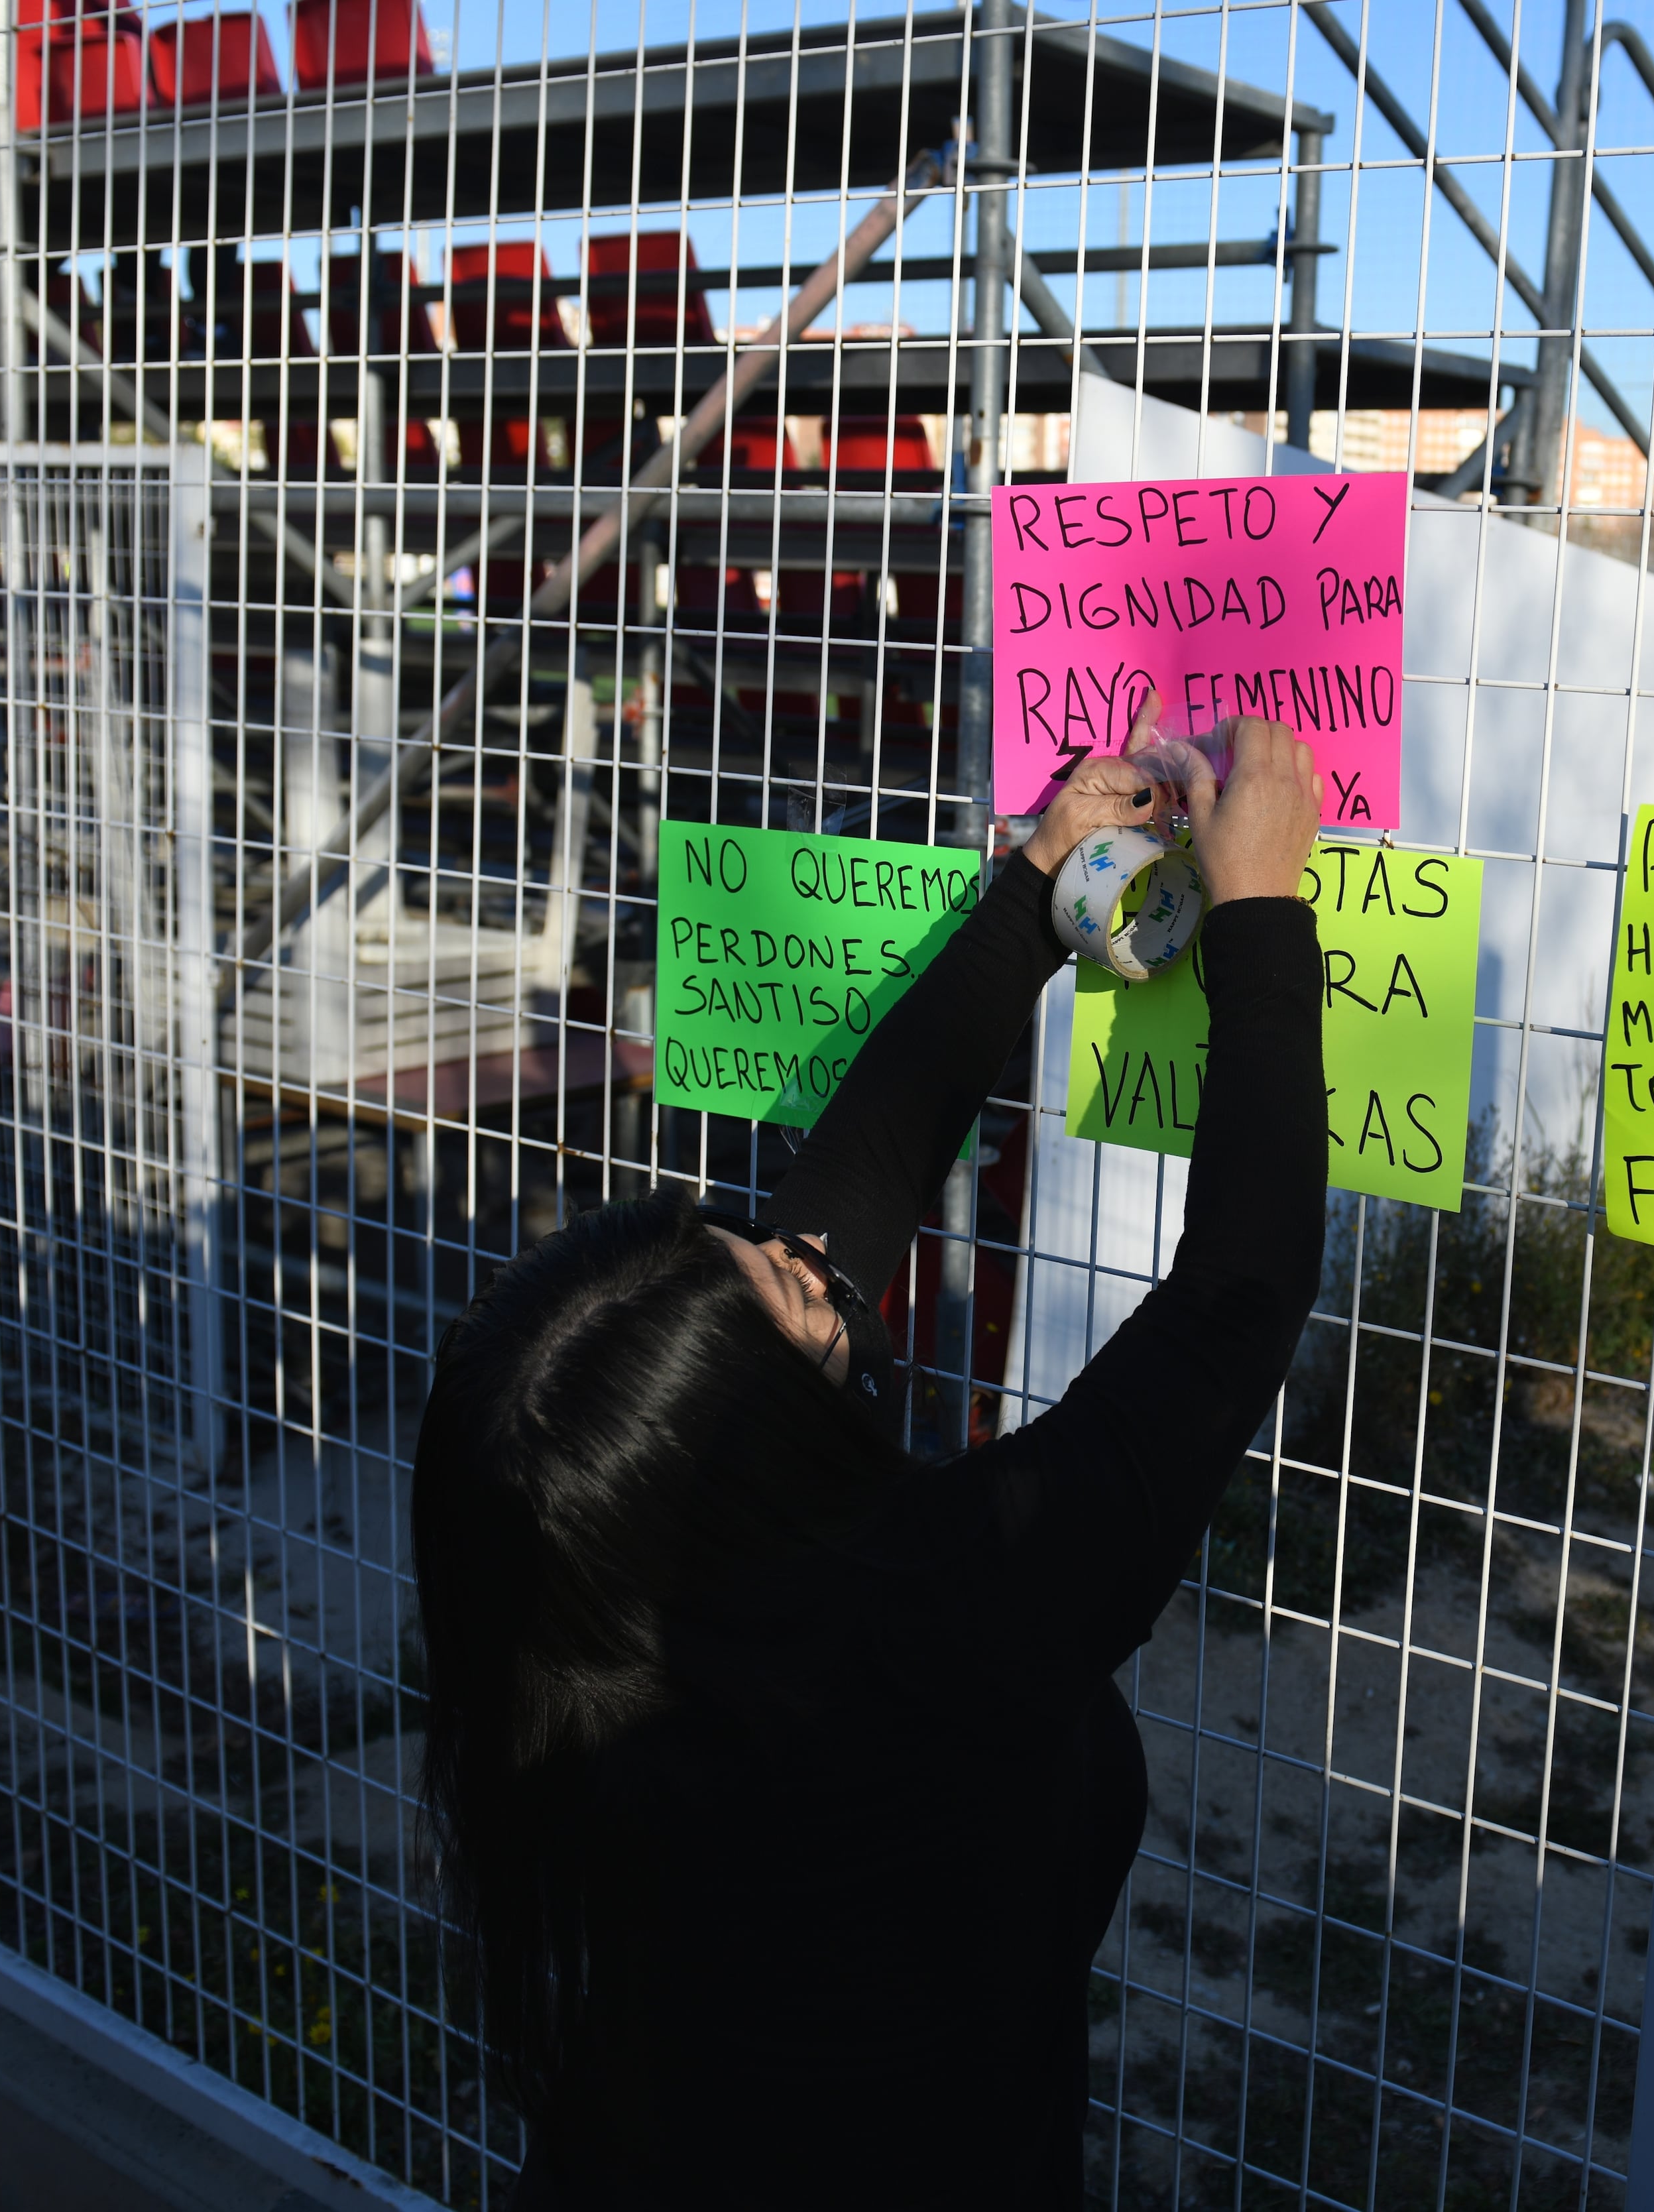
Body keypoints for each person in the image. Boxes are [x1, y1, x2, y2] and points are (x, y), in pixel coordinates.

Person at [411, 717, 1327, 2207]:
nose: (809, 1258)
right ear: (761, 1445)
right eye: (786, 1294)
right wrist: (1265, 923)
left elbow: (860, 1180)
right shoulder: (964, 1609)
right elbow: (1240, 1286)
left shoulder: (570, 1639)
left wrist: (1033, 892)